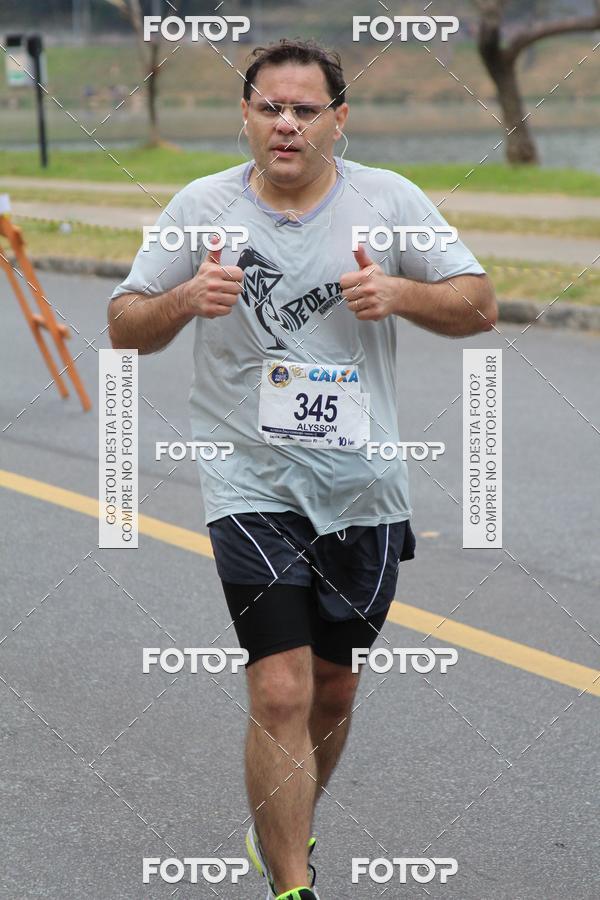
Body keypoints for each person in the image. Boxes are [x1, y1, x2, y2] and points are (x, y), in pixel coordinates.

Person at [108, 39, 497, 900]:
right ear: (244, 117)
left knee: (334, 687)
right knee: (280, 688)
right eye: (269, 108)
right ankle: (292, 884)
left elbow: (480, 302)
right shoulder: (199, 207)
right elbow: (123, 324)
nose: (286, 124)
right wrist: (184, 299)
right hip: (250, 484)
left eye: (305, 109)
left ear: (338, 120)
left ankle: (287, 817)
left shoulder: (387, 201)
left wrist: (403, 295)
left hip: (364, 485)